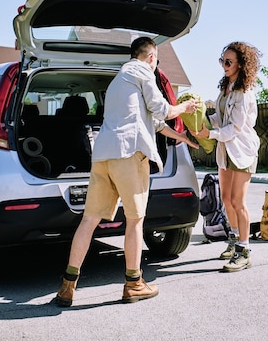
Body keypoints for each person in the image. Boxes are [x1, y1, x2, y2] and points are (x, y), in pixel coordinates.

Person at [54, 37, 200, 306]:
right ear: (151, 57)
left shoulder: (118, 81)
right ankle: (134, 284)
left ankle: (67, 286)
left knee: (89, 220)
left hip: (104, 156)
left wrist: (185, 138)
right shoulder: (143, 72)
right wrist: (184, 108)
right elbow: (163, 110)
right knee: (135, 220)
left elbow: (152, 123)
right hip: (129, 155)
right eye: (156, 60)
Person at [193, 41, 261, 272]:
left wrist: (210, 134)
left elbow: (236, 128)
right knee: (225, 200)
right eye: (222, 60)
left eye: (229, 61)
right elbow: (220, 119)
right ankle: (232, 241)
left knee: (237, 202)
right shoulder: (226, 87)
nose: (224, 65)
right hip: (226, 150)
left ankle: (244, 251)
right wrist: (201, 120)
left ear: (241, 64)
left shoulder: (245, 93)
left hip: (242, 151)